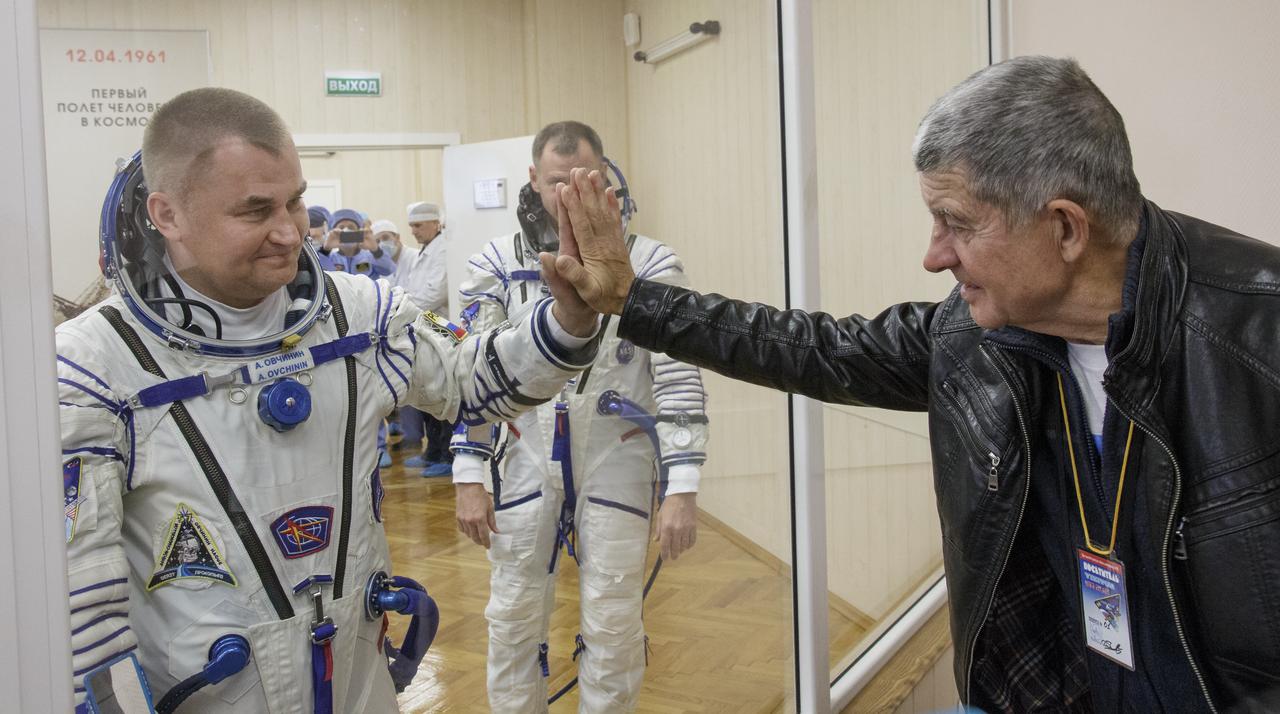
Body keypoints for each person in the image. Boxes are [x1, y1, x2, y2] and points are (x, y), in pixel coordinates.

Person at [552, 56, 1280, 713]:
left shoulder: (1259, 343)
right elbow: (813, 348)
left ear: (1064, 228)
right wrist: (632, 300)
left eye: (955, 223)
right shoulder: (978, 335)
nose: (933, 256)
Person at [57, 87, 600, 713]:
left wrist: (569, 319)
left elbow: (473, 381)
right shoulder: (94, 366)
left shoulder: (360, 315)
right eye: (255, 211)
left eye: (295, 200)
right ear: (168, 214)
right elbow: (85, 618)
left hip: (357, 675)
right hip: (208, 693)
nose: (290, 232)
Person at [452, 121, 709, 712]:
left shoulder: (650, 263)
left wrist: (683, 486)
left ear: (607, 178)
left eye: (581, 180)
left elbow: (678, 374)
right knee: (512, 613)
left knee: (615, 624)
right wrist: (468, 475)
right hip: (521, 452)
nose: (566, 193)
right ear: (532, 181)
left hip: (617, 453)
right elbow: (468, 368)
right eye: (554, 181)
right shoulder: (493, 263)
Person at [391, 201, 456, 476]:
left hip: (442, 329)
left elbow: (435, 293)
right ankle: (432, 451)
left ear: (434, 223)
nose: (414, 232)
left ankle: (447, 454)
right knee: (427, 392)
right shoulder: (424, 252)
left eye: (418, 226)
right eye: (411, 227)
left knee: (444, 393)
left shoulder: (444, 250)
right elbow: (410, 288)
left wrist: (403, 306)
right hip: (424, 329)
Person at [324, 208, 396, 278]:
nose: (346, 230)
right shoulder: (330, 258)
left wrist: (376, 250)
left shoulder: (370, 257)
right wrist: (325, 250)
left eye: (351, 227)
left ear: (359, 231)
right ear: (334, 232)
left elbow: (388, 270)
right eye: (341, 228)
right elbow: (317, 274)